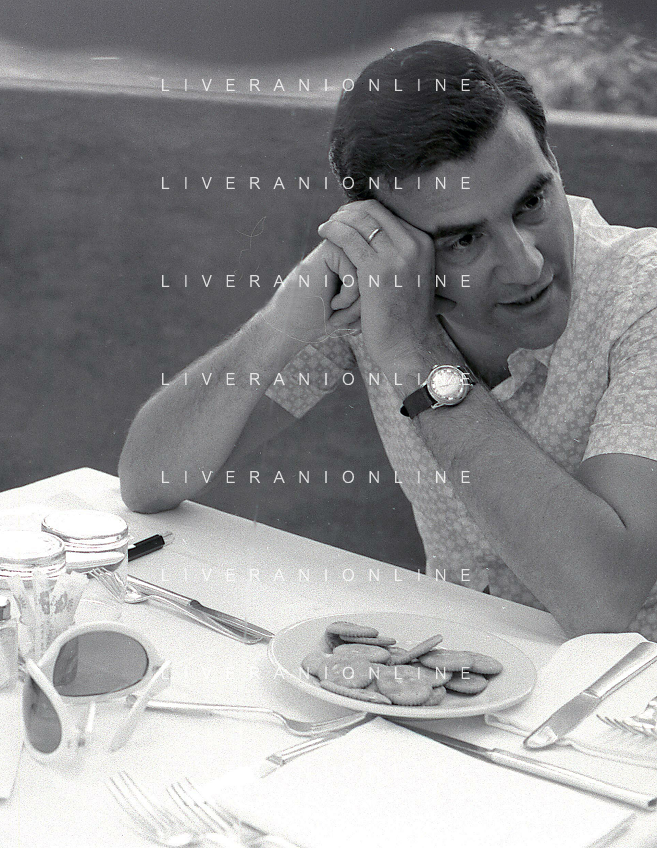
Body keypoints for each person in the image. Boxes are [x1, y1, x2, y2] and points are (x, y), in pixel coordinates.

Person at [119, 41, 657, 638]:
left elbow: (602, 602)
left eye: (531, 202)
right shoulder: (384, 293)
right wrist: (278, 324)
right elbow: (149, 482)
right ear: (394, 242)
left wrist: (414, 358)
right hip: (458, 661)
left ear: (552, 160)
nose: (525, 264)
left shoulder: (644, 294)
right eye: (464, 239)